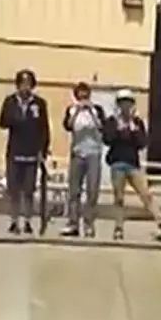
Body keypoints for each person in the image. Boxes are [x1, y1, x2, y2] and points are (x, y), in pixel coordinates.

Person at [102, 89, 161, 241]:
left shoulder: (137, 122)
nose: (126, 106)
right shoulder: (112, 121)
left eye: (128, 103)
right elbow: (107, 139)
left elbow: (142, 143)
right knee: (119, 198)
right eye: (123, 103)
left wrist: (134, 130)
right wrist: (119, 129)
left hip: (133, 163)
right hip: (117, 163)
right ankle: (118, 227)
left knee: (145, 194)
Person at [0, 69, 50, 235]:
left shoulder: (39, 103)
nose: (25, 87)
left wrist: (43, 150)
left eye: (28, 83)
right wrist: (16, 116)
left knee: (29, 190)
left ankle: (28, 221)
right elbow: (2, 122)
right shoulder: (10, 101)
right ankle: (14, 221)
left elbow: (44, 128)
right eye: (22, 83)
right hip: (14, 150)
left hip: (32, 152)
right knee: (14, 190)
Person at [61, 81, 106, 237]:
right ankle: (73, 223)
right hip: (77, 153)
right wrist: (77, 112)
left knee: (92, 191)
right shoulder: (71, 109)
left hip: (93, 153)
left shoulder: (97, 110)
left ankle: (89, 224)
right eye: (80, 94)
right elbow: (68, 126)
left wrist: (91, 112)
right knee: (74, 191)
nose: (83, 97)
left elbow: (102, 127)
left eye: (85, 94)